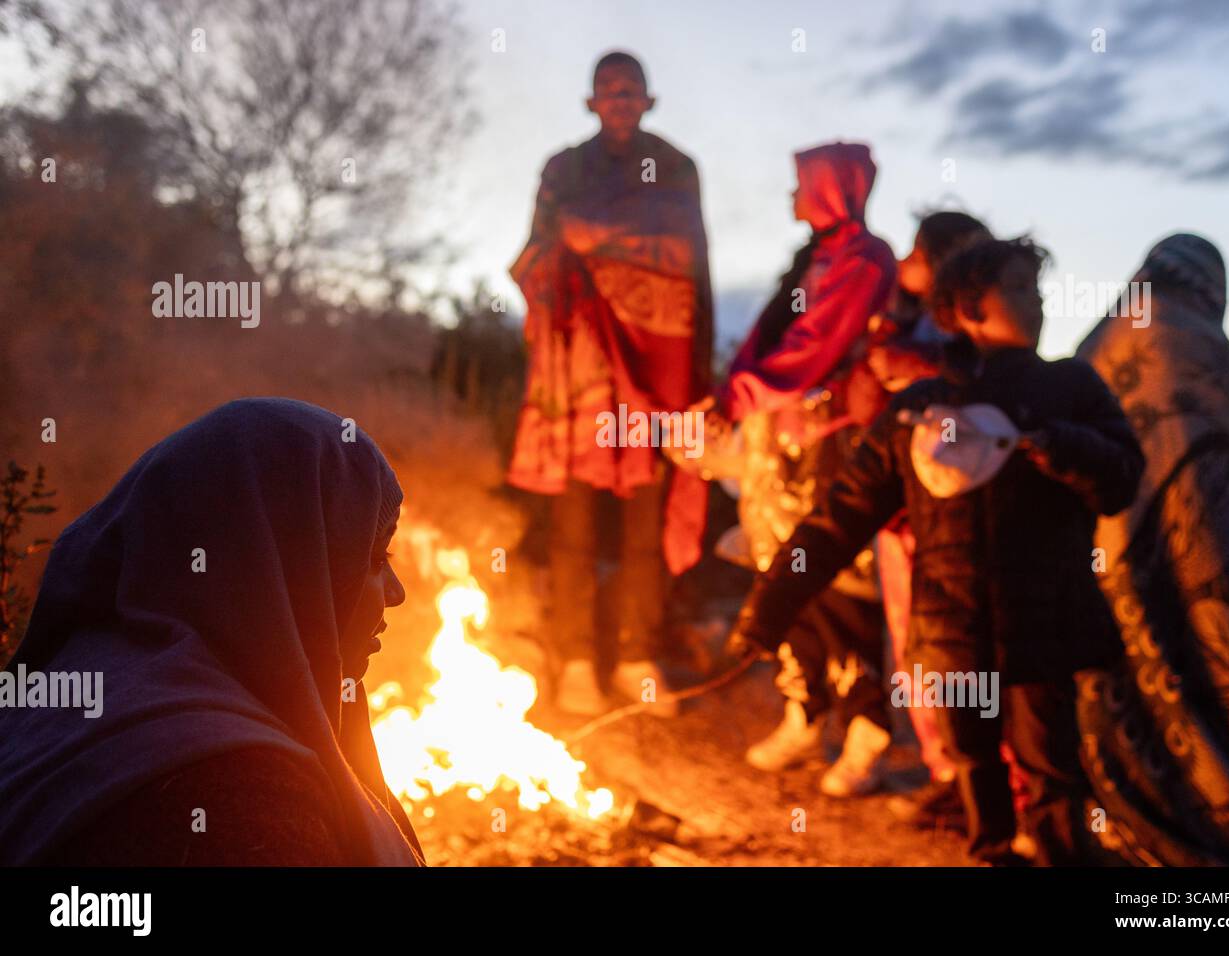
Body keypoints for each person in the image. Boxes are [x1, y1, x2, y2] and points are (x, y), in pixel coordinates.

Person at [729, 237, 1145, 865]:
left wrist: (1054, 444)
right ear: (968, 307)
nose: (1037, 304)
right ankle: (993, 855)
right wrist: (770, 607)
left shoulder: (1069, 389)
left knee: (1054, 775)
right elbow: (838, 522)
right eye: (1019, 290)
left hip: (1046, 631)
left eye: (1036, 290)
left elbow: (1122, 479)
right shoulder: (919, 410)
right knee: (975, 771)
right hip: (954, 634)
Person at [0, 398, 424, 866]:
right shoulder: (244, 795)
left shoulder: (65, 699)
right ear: (285, 563)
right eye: (375, 558)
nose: (397, 593)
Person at [1075, 233, 1229, 864]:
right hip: (1214, 544)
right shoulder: (1206, 345)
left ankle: (1133, 819)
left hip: (1117, 539)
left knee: (1138, 665)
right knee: (1225, 659)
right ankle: (1223, 808)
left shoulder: (1107, 337)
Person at [507, 51, 713, 716]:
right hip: (581, 364)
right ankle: (572, 660)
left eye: (630, 91)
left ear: (648, 100)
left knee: (643, 518)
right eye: (608, 91)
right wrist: (578, 246)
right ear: (592, 101)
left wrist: (592, 235)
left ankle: (636, 657)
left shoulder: (676, 167)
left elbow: (683, 253)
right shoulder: (563, 169)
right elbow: (537, 251)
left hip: (652, 370)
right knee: (571, 521)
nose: (620, 100)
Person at [706, 142, 897, 796]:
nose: (791, 198)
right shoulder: (812, 258)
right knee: (779, 566)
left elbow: (819, 346)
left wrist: (742, 395)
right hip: (778, 440)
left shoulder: (865, 260)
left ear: (831, 189)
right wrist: (736, 402)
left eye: (800, 185)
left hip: (831, 441)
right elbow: (777, 338)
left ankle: (868, 723)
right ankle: (805, 709)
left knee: (831, 573)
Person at [869, 211, 992, 824]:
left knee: (941, 640)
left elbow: (896, 370)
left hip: (937, 507)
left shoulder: (965, 339)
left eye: (915, 255)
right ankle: (950, 767)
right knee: (917, 637)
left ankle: (966, 778)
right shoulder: (908, 319)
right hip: (905, 506)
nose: (902, 266)